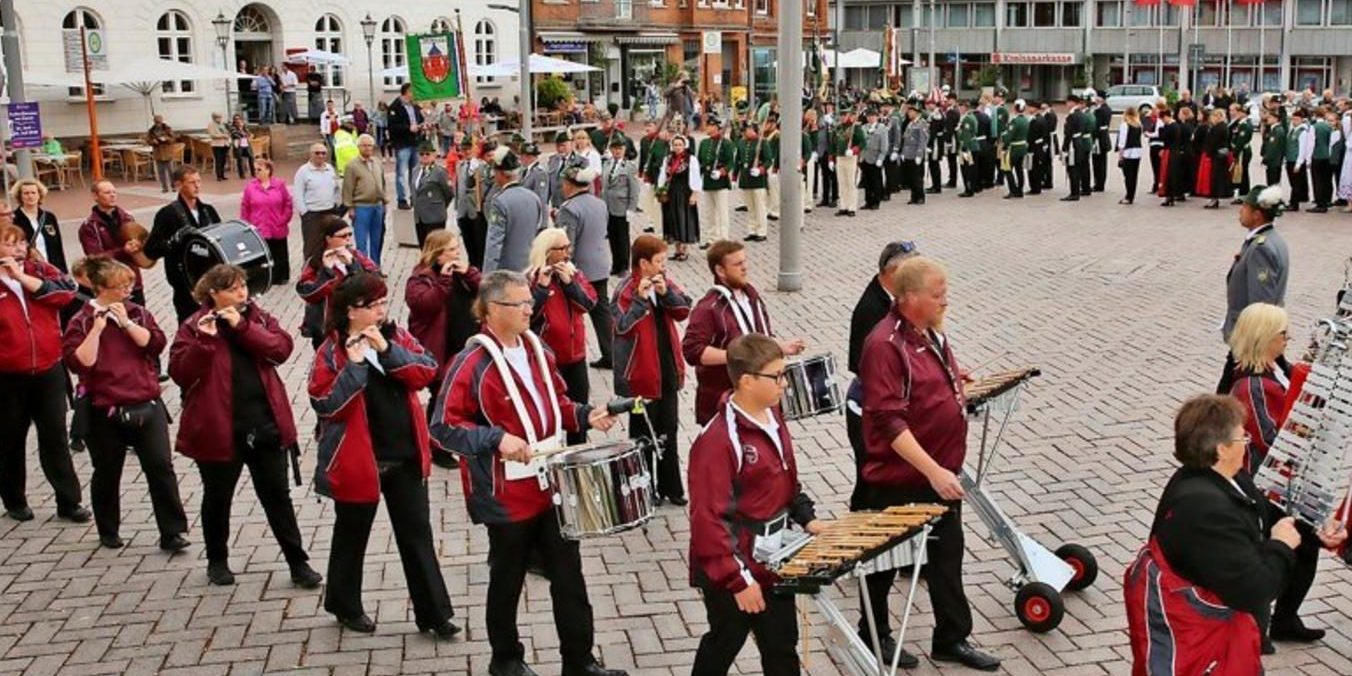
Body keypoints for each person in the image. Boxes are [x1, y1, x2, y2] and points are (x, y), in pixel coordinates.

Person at [431, 270, 626, 676]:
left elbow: (558, 403)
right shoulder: (470, 363)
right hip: (506, 494)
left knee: (570, 577)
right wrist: (495, 438)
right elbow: (443, 427)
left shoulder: (538, 349)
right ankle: (505, 660)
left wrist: (586, 415)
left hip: (551, 485)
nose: (528, 309)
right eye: (519, 303)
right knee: (508, 580)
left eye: (529, 303)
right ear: (490, 309)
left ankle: (579, 661)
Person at [856, 256, 1000, 671]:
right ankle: (873, 635)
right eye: (937, 295)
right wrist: (933, 471)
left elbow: (928, 379)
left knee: (947, 556)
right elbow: (887, 420)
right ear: (909, 297)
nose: (945, 301)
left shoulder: (929, 331)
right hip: (901, 478)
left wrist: (953, 380)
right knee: (883, 563)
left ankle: (951, 638)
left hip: (938, 473)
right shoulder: (884, 344)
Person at [308, 272, 459, 638]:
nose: (380, 311)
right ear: (350, 311)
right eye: (372, 305)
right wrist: (356, 365)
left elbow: (427, 371)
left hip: (404, 453)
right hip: (360, 459)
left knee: (417, 534)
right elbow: (326, 403)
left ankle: (434, 614)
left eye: (382, 303)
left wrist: (387, 351)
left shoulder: (395, 336)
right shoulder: (330, 351)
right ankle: (344, 604)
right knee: (352, 534)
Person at [1124, 394, 1315, 674]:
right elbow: (1254, 589)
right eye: (1242, 437)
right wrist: (1281, 547)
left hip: (1227, 641)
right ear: (1222, 449)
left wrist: (1313, 532)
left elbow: (1260, 516)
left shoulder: (1225, 478)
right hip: (1210, 647)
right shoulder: (1206, 509)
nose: (1247, 443)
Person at [167, 264, 320, 588]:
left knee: (277, 497)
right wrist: (204, 342)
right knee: (218, 497)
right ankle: (217, 560)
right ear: (213, 293)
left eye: (243, 286)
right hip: (219, 427)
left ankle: (298, 562)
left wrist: (242, 327)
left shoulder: (257, 317)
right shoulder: (194, 326)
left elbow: (281, 349)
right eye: (233, 288)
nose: (242, 293)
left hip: (264, 423)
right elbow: (181, 372)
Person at [688, 334, 824, 676]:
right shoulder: (717, 441)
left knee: (782, 645)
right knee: (725, 641)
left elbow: (786, 479)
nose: (784, 383)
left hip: (771, 558)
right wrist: (738, 581)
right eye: (776, 376)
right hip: (732, 563)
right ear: (747, 381)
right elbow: (708, 520)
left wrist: (807, 518)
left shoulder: (773, 415)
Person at [1225, 303, 1344, 651]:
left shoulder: (1277, 369)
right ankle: (1261, 627)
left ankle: (1285, 618)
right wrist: (1309, 432)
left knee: (1304, 548)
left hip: (1288, 481)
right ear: (1264, 338)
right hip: (1266, 485)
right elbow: (1269, 439)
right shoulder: (1251, 384)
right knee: (1275, 553)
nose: (1288, 338)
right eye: (1282, 333)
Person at [63, 257, 189, 551]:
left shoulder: (137, 313)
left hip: (145, 402)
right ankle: (108, 529)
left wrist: (127, 323)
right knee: (107, 470)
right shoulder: (81, 321)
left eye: (128, 284)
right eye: (119, 286)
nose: (126, 291)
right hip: (103, 407)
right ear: (100, 288)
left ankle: (172, 532)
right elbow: (80, 362)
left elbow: (155, 344)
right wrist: (97, 329)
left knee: (160, 467)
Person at [0, 226, 88, 524]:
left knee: (55, 436)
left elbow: (66, 293)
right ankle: (14, 499)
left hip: (49, 369)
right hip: (8, 375)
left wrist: (23, 278)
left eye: (22, 243)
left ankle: (69, 501)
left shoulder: (39, 270)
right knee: (10, 438)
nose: (18, 249)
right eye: (9, 243)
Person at [682, 240, 806, 426]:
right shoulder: (708, 308)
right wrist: (737, 357)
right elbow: (692, 351)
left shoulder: (752, 296)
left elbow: (757, 340)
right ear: (720, 270)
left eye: (745, 261)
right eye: (737, 264)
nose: (745, 268)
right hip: (724, 405)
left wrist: (780, 347)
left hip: (760, 402)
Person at [612, 235, 692, 506]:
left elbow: (684, 309)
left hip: (667, 368)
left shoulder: (664, 282)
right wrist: (640, 300)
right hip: (640, 375)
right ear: (643, 263)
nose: (663, 266)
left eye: (664, 260)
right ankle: (645, 490)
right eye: (659, 261)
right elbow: (621, 326)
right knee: (643, 434)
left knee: (669, 429)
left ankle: (671, 487)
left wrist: (665, 293)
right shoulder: (625, 289)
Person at [845, 240, 919, 512]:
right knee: (872, 483)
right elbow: (866, 366)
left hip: (881, 402)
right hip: (868, 409)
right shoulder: (872, 309)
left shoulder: (893, 300)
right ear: (893, 272)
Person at [406, 230, 480, 447]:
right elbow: (424, 305)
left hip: (465, 343)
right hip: (440, 347)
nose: (457, 254)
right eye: (451, 250)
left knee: (466, 395)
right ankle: (436, 444)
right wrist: (444, 282)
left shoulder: (462, 273)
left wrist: (469, 273)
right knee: (442, 396)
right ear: (438, 254)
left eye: (457, 248)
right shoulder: (420, 278)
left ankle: (458, 438)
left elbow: (486, 290)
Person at [525, 229, 596, 445]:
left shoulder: (575, 275)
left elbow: (589, 304)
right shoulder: (531, 279)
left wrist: (569, 284)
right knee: (549, 415)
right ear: (547, 251)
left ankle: (578, 454)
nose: (567, 253)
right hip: (547, 360)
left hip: (576, 357)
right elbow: (527, 316)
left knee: (579, 415)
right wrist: (542, 288)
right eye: (562, 248)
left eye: (568, 247)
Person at [1217, 185, 1290, 394]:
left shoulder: (1261, 247)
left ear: (1257, 214)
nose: (1240, 211)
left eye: (1245, 207)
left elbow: (1260, 301)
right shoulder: (1268, 239)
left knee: (1226, 395)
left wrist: (1251, 338)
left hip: (1251, 336)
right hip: (1256, 335)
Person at [146, 166, 223, 324]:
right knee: (190, 327)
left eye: (199, 181)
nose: (197, 186)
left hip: (212, 281)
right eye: (192, 182)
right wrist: (172, 242)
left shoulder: (208, 211)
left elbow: (220, 240)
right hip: (185, 285)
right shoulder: (167, 214)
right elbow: (150, 249)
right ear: (178, 185)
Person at [554, 165, 614, 369]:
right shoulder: (600, 203)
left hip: (579, 268)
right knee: (602, 311)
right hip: (600, 263)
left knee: (571, 311)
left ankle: (570, 351)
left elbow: (566, 244)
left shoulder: (569, 208)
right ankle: (611, 352)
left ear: (570, 185)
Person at [296, 216, 380, 350]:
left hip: (356, 321)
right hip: (326, 326)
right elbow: (308, 293)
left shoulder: (356, 256)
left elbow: (375, 283)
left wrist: (353, 265)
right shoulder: (315, 262)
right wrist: (326, 272)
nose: (348, 239)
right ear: (328, 239)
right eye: (343, 236)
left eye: (350, 235)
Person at [78, 181, 146, 305]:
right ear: (95, 196)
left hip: (132, 283)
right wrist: (123, 251)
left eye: (114, 192)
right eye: (107, 192)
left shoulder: (128, 218)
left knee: (138, 314)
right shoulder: (89, 226)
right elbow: (95, 258)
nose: (112, 195)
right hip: (109, 286)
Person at [484, 147, 545, 273]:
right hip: (530, 266)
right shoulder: (534, 197)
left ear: (501, 173)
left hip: (508, 270)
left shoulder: (500, 201)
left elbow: (494, 242)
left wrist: (487, 274)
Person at [240, 158, 295, 285]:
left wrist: (284, 218)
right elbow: (245, 207)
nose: (256, 172)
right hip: (259, 226)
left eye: (259, 169)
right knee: (262, 254)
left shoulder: (279, 185)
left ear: (268, 170)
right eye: (255, 170)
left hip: (277, 225)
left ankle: (281, 277)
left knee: (279, 252)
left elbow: (288, 203)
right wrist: (246, 225)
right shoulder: (250, 187)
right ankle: (264, 279)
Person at [342, 134, 390, 267]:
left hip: (377, 206)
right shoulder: (351, 166)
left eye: (370, 145)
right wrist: (350, 207)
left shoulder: (377, 162)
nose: (368, 148)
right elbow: (347, 188)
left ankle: (375, 267)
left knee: (377, 240)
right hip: (361, 206)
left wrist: (384, 201)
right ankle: (363, 269)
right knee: (361, 241)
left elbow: (382, 183)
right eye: (364, 145)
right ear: (358, 147)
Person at [295, 143, 343, 265]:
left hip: (330, 211)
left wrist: (336, 204)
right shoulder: (303, 171)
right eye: (317, 153)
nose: (320, 156)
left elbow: (336, 189)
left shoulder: (330, 169)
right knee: (312, 247)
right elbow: (298, 194)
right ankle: (310, 271)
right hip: (312, 214)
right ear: (310, 154)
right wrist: (304, 212)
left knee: (330, 245)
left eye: (323, 153)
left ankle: (329, 270)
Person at [658, 135, 702, 261]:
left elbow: (696, 176)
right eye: (675, 145)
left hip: (685, 192)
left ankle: (684, 250)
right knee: (672, 219)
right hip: (671, 193)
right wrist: (661, 190)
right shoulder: (668, 159)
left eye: (680, 145)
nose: (677, 147)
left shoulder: (691, 159)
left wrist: (695, 193)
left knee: (684, 219)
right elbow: (663, 175)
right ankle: (677, 249)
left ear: (684, 146)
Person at [601, 138, 641, 276]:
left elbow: (634, 189)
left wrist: (631, 208)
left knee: (622, 237)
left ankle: (624, 266)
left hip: (622, 206)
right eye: (615, 149)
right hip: (608, 205)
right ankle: (616, 264)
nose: (617, 151)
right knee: (612, 236)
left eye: (620, 149)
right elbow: (604, 186)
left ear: (624, 150)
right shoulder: (607, 164)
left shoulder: (629, 166)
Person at [12, 179, 67, 273]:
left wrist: (63, 271)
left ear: (39, 195)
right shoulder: (14, 219)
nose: (30, 196)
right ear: (20, 196)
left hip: (52, 270)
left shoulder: (49, 217)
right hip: (28, 271)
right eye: (26, 193)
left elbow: (58, 247)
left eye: (33, 193)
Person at [387, 83, 426, 210]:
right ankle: (402, 199)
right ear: (407, 92)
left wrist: (422, 126)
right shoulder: (395, 107)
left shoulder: (415, 106)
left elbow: (420, 119)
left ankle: (414, 196)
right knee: (401, 173)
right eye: (413, 92)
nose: (415, 95)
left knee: (415, 172)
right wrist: (408, 128)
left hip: (415, 142)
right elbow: (392, 126)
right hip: (402, 143)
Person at [411, 140, 455, 248]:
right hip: (419, 217)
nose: (424, 156)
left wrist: (439, 205)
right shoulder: (415, 170)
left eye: (427, 154)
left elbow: (448, 193)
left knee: (435, 249)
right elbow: (414, 191)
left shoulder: (439, 172)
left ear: (434, 155)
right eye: (422, 154)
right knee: (424, 248)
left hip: (435, 216)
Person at [733, 125, 769, 242]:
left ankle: (761, 231)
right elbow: (737, 161)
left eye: (750, 129)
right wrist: (734, 178)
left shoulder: (762, 142)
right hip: (746, 178)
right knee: (750, 207)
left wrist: (761, 170)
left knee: (760, 207)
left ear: (755, 131)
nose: (748, 131)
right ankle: (752, 230)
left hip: (758, 180)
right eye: (746, 129)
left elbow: (768, 160)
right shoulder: (741, 143)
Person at [833, 111, 865, 216]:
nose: (842, 117)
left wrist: (853, 150)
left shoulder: (855, 127)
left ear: (849, 115)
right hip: (840, 157)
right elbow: (833, 144)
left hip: (851, 158)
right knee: (842, 183)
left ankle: (851, 207)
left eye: (844, 115)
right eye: (841, 115)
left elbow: (862, 142)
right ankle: (843, 206)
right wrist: (831, 159)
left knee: (851, 183)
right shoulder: (837, 128)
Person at [1061, 94, 1093, 201]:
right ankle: (1077, 190)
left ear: (1072, 102)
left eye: (1067, 102)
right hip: (1079, 142)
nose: (1066, 104)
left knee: (1073, 168)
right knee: (1078, 167)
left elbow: (1068, 133)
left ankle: (1074, 193)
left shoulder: (1072, 115)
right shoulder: (1082, 114)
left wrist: (1065, 147)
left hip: (1073, 143)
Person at [1199, 108, 1233, 209]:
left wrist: (1208, 151)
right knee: (1216, 177)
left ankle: (1214, 199)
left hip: (1217, 155)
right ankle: (1214, 198)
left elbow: (1214, 142)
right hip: (1220, 155)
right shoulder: (1223, 127)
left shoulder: (1219, 128)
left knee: (1215, 178)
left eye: (1213, 116)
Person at [1284, 108, 1314, 212]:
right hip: (1290, 159)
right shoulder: (1292, 130)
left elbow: (1302, 149)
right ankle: (1295, 200)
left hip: (1296, 160)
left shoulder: (1302, 132)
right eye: (1293, 119)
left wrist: (1299, 163)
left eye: (1297, 119)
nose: (1294, 121)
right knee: (1293, 182)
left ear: (1301, 120)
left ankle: (1294, 203)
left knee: (1296, 183)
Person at [860, 108, 888, 210]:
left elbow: (884, 145)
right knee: (867, 182)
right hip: (865, 158)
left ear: (877, 117)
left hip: (875, 158)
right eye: (869, 116)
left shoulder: (882, 128)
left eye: (872, 116)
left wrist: (881, 158)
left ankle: (876, 201)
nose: (870, 118)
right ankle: (868, 201)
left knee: (876, 181)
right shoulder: (864, 127)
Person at [1308, 106, 1336, 213]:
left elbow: (1311, 144)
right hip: (1327, 156)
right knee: (1326, 180)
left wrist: (1308, 159)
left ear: (1315, 115)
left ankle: (1319, 203)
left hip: (1317, 155)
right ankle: (1326, 200)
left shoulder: (1314, 127)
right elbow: (1331, 142)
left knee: (1317, 180)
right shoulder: (1328, 127)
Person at [900, 104, 928, 205]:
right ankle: (913, 196)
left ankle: (920, 196)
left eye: (911, 112)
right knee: (910, 177)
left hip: (916, 153)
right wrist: (903, 152)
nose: (909, 114)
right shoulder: (910, 123)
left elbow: (922, 140)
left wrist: (919, 154)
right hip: (908, 153)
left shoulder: (922, 123)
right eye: (908, 112)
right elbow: (906, 139)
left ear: (917, 113)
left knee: (917, 177)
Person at [1117, 106, 1145, 205]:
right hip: (1137, 151)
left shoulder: (1125, 125)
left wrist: (1120, 155)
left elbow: (1122, 141)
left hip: (1128, 152)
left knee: (1128, 175)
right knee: (1134, 175)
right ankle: (1131, 195)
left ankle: (1128, 196)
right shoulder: (1139, 125)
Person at [144, 115, 177, 193]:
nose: (158, 124)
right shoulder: (151, 131)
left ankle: (173, 186)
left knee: (171, 171)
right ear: (154, 122)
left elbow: (173, 139)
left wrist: (166, 139)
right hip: (158, 153)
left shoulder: (167, 129)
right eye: (156, 122)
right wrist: (152, 141)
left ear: (162, 121)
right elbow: (148, 140)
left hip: (167, 153)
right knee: (161, 172)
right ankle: (164, 187)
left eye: (159, 122)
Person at [1229, 104, 1255, 203]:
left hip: (1243, 151)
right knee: (1241, 174)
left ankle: (1243, 195)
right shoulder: (1240, 123)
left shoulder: (1245, 125)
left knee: (1243, 174)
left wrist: (1235, 153)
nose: (1237, 114)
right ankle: (1242, 194)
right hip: (1240, 150)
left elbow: (1240, 141)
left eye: (1240, 112)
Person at [1260, 109, 1289, 189]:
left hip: (1274, 161)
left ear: (1276, 119)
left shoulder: (1278, 131)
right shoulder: (1272, 129)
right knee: (1271, 182)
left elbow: (1273, 147)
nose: (1267, 119)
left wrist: (1266, 158)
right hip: (1273, 161)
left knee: (1273, 183)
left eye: (1269, 117)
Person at [1091, 94, 1113, 192]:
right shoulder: (1107, 108)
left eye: (1097, 97)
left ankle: (1099, 184)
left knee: (1098, 162)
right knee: (1102, 162)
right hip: (1104, 136)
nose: (1095, 99)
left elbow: (1096, 125)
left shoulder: (1100, 110)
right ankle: (1100, 183)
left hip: (1099, 138)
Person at [207, 112, 231, 181]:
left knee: (223, 160)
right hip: (217, 145)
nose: (219, 119)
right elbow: (212, 135)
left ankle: (222, 175)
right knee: (218, 160)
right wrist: (223, 136)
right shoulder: (211, 124)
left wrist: (227, 134)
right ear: (214, 118)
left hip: (225, 144)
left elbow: (226, 131)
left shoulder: (222, 124)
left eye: (220, 117)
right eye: (218, 117)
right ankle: (218, 176)